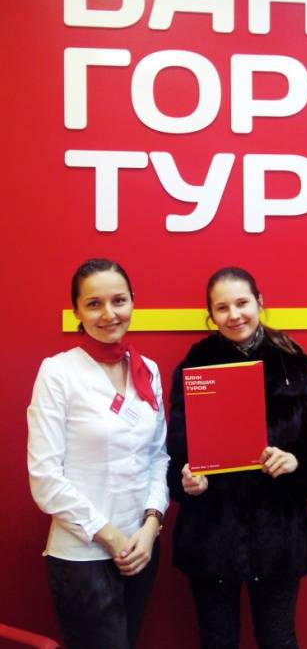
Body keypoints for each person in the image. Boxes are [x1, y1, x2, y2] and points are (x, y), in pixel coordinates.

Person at [167, 267, 307, 649]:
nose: (234, 315)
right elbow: (174, 453)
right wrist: (187, 479)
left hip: (278, 535)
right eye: (222, 307)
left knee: (278, 639)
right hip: (211, 534)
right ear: (211, 316)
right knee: (217, 641)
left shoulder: (294, 362)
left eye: (242, 303)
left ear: (260, 303)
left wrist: (296, 463)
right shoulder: (196, 365)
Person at [27, 258, 169, 649]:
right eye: (94, 304)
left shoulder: (148, 370)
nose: (109, 314)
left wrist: (151, 526)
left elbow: (158, 457)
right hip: (83, 555)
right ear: (76, 311)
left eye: (118, 300)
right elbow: (45, 479)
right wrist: (110, 536)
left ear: (133, 301)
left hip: (140, 550)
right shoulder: (58, 372)